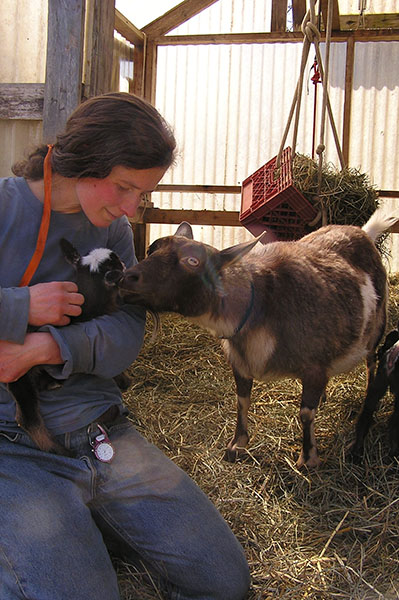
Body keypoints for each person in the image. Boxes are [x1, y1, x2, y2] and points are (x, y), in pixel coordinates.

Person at [0, 92, 250, 600]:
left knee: (226, 582)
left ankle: (80, 524)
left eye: (144, 194)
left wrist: (44, 347)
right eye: (124, 187)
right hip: (15, 447)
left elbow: (124, 336)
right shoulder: (5, 208)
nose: (133, 208)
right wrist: (20, 306)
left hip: (101, 433)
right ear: (82, 162)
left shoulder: (113, 230)